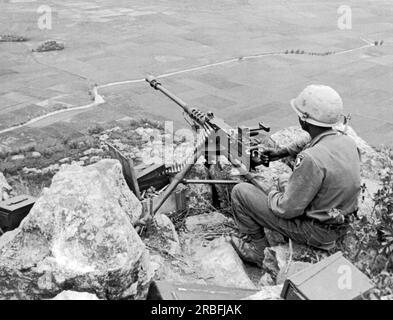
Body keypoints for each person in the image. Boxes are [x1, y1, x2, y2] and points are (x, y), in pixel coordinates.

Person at [230, 85, 361, 267]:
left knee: (240, 192)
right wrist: (280, 153)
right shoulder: (346, 142)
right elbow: (311, 140)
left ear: (304, 120)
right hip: (340, 220)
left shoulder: (310, 159)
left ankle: (258, 251)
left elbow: (286, 209)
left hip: (316, 232)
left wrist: (272, 191)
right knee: (285, 179)